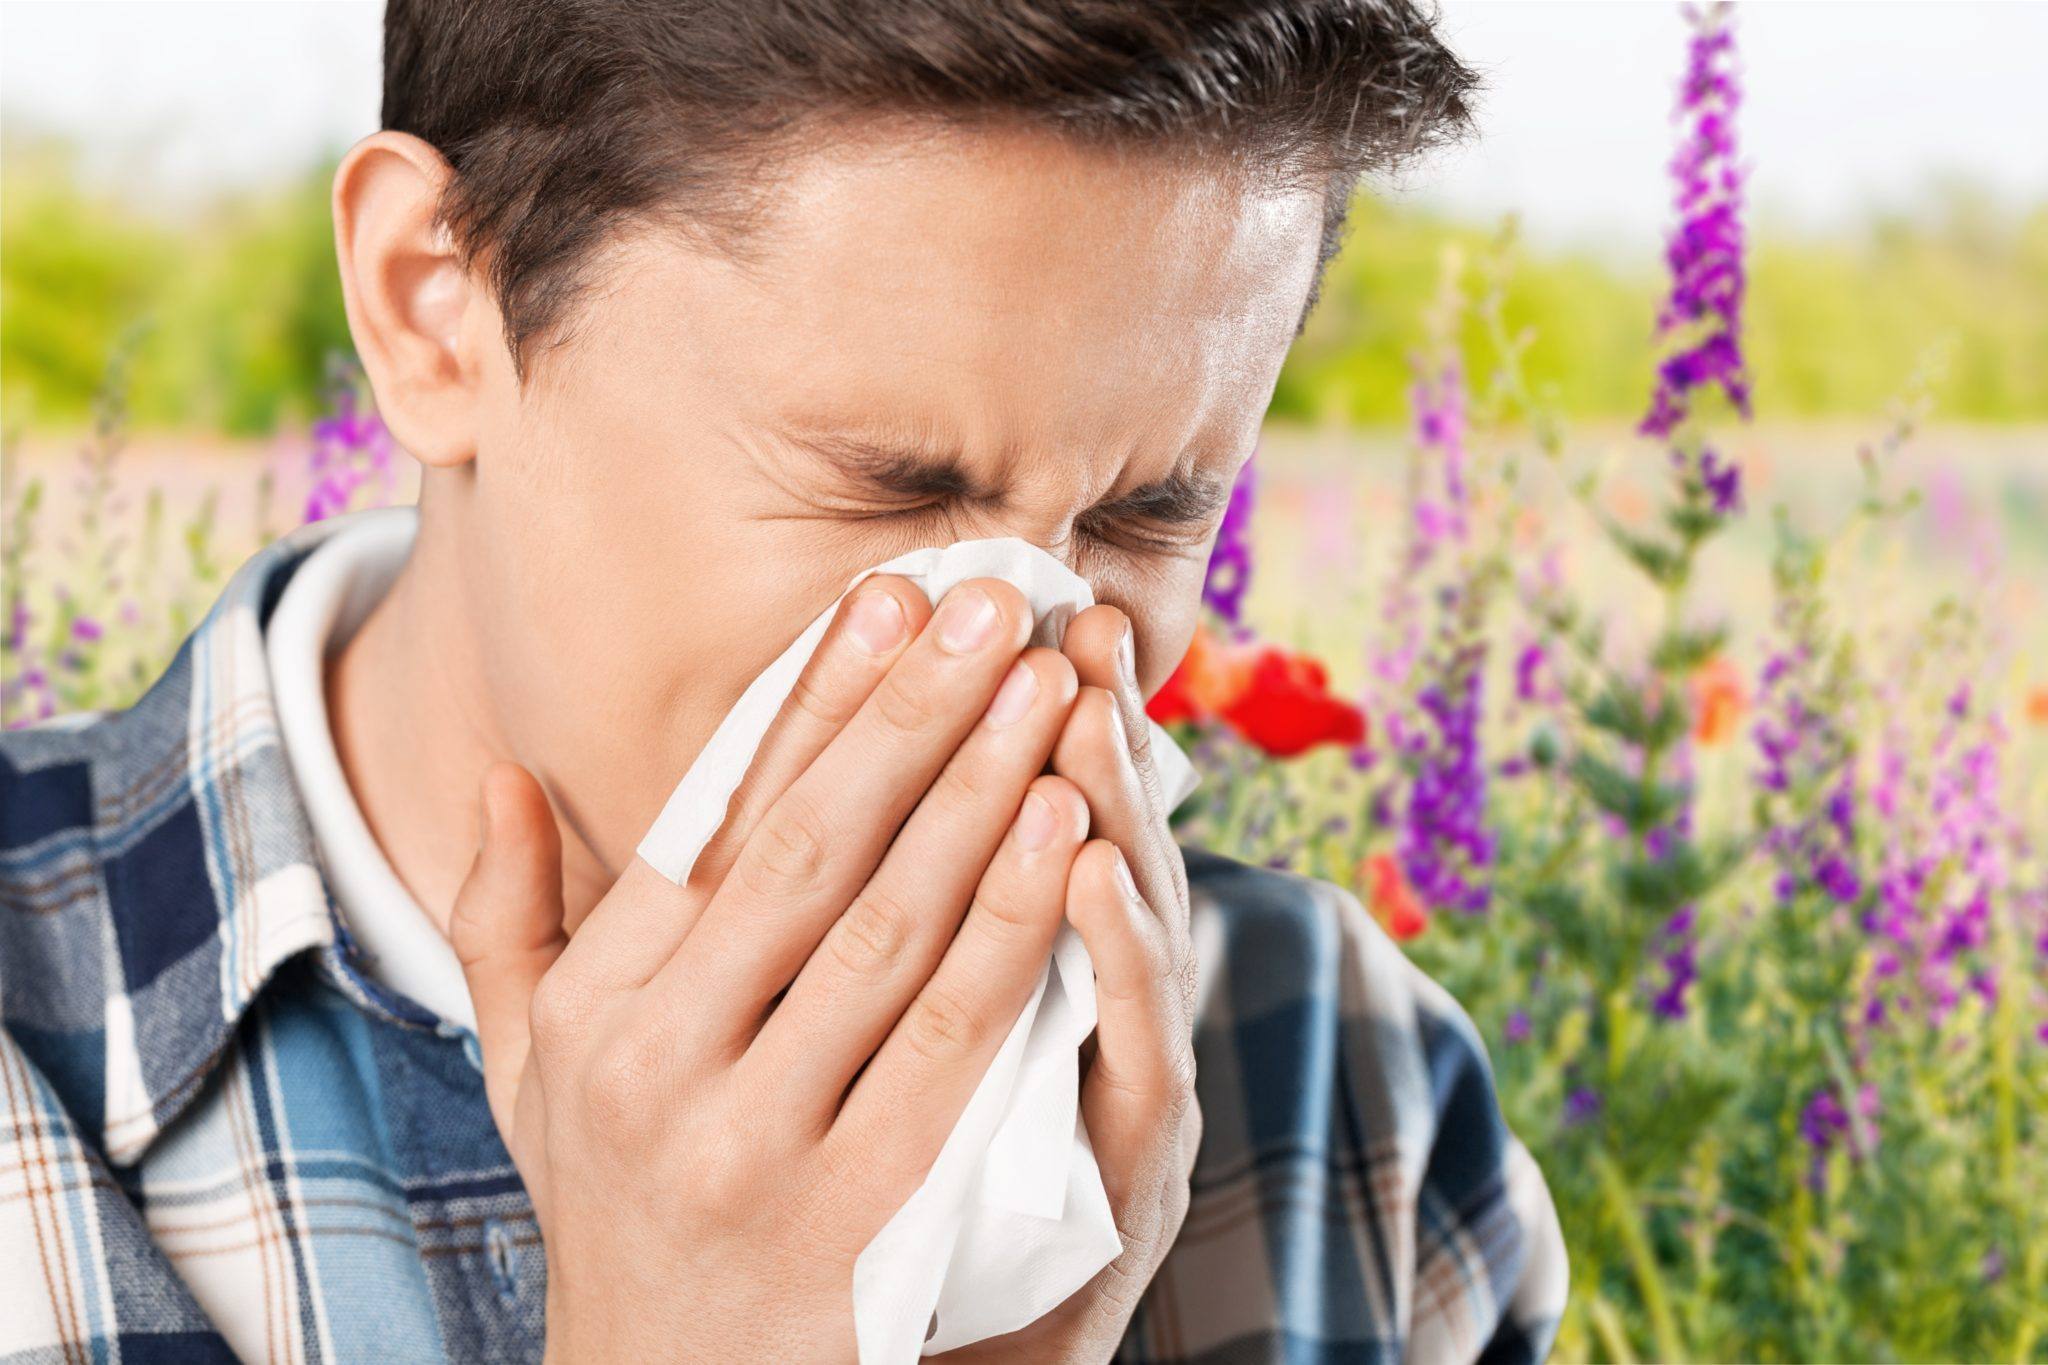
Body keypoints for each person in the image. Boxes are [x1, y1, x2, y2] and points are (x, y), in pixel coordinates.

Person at [0, 1, 1567, 1359]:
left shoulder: (1350, 1088)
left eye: (1145, 513)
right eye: (891, 486)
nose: (1018, 657)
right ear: (435, 307)